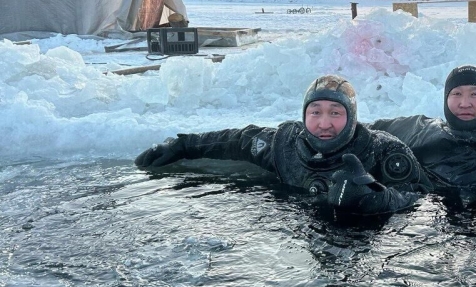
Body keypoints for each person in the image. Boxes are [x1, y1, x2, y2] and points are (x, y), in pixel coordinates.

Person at [135, 75, 431, 215]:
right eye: (315, 112)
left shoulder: (383, 150)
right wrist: (183, 145)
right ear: (304, 115)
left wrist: (376, 200)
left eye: (335, 113)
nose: (324, 123)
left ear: (352, 117)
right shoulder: (285, 145)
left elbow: (420, 195)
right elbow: (236, 141)